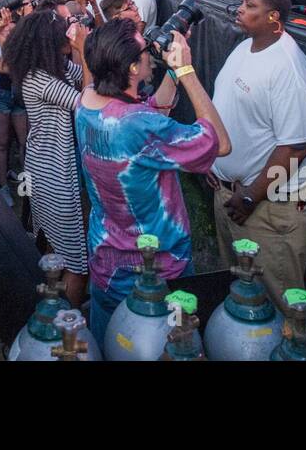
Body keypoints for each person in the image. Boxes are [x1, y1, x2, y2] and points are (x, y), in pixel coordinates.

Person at [75, 18, 230, 344]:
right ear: (132, 68)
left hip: (107, 262)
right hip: (156, 272)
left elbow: (150, 112)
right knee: (162, 347)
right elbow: (219, 143)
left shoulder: (87, 102)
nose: (151, 52)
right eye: (145, 48)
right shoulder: (136, 125)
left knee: (110, 346)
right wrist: (186, 71)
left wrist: (170, 72)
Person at [207, 0, 306, 307]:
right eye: (242, 2)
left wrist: (250, 196)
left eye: (250, 5)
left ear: (274, 18)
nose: (240, 9)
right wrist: (213, 165)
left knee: (278, 306)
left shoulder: (288, 66)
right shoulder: (244, 48)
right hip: (231, 197)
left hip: (266, 209)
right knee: (242, 301)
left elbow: (297, 146)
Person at [2, 11, 88, 305]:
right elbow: (87, 102)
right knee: (77, 264)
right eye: (63, 32)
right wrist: (81, 49)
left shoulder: (52, 67)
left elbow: (82, 76)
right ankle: (67, 329)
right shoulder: (40, 79)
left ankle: (48, 310)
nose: (68, 34)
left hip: (45, 168)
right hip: (54, 175)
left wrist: (80, 53)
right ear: (48, 42)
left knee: (55, 254)